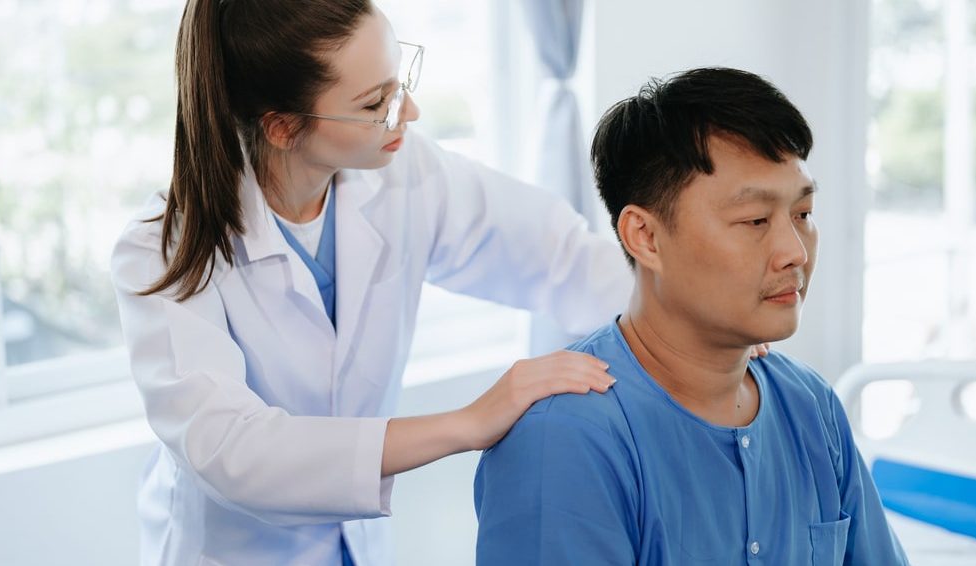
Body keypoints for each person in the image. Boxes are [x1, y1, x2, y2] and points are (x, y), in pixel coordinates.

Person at [109, 1, 636, 565]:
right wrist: (468, 423)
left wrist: (693, 317)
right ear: (284, 128)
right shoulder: (164, 251)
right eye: (374, 103)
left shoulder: (406, 176)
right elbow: (233, 450)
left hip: (357, 546)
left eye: (399, 81)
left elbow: (559, 256)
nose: (408, 111)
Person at [473, 68, 910, 565]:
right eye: (755, 221)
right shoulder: (564, 440)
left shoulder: (810, 405)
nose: (795, 252)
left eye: (803, 214)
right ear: (646, 236)